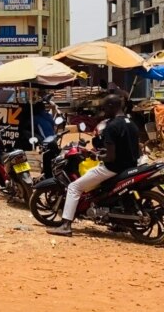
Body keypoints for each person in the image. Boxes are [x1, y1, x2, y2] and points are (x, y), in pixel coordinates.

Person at [48, 94, 140, 237]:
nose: (103, 111)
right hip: (131, 166)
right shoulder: (131, 123)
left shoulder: (112, 126)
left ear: (111, 106)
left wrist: (96, 155)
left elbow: (110, 157)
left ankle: (66, 225)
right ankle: (119, 223)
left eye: (104, 108)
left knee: (74, 187)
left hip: (112, 168)